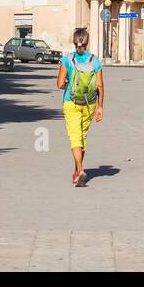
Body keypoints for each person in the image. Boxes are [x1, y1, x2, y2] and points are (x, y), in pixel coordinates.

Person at [56, 27, 104, 187]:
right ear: (87, 41)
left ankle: (81, 169)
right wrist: (100, 107)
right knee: (82, 137)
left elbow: (60, 84)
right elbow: (100, 86)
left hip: (71, 102)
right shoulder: (94, 60)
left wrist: (69, 84)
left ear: (74, 41)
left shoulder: (67, 60)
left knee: (74, 137)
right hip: (89, 103)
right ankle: (77, 172)